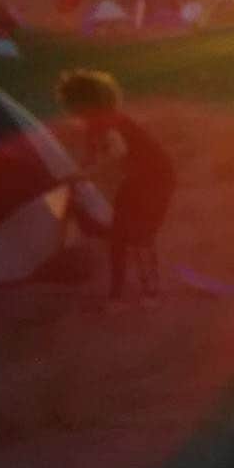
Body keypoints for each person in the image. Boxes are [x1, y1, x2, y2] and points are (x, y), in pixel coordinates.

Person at [55, 69, 175, 303]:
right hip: (136, 179)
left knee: (140, 235)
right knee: (120, 235)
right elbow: (92, 157)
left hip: (157, 179)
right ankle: (119, 294)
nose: (75, 113)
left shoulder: (113, 123)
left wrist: (82, 176)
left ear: (90, 102)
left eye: (77, 106)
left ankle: (149, 291)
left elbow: (114, 157)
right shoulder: (95, 125)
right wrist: (78, 173)